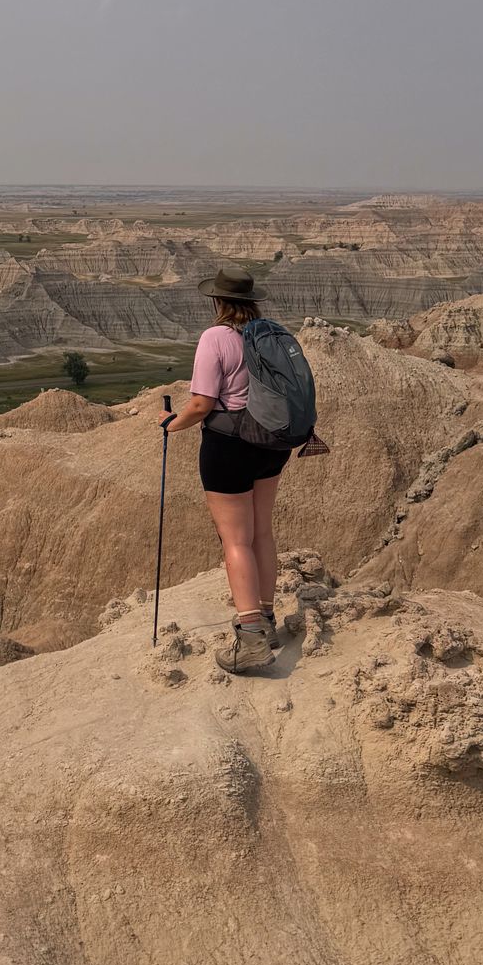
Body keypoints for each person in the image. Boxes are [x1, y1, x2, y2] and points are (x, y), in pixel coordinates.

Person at [158, 265, 289, 674]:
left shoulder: (216, 337)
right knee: (262, 532)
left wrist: (169, 424)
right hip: (272, 444)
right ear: (252, 301)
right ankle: (266, 622)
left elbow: (200, 404)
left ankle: (249, 638)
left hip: (230, 445)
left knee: (235, 540)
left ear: (217, 301)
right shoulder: (270, 333)